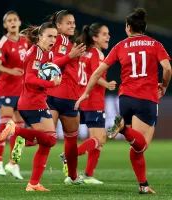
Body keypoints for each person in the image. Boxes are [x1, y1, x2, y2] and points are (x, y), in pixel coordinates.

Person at [75, 8, 171, 194]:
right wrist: (164, 85)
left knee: (135, 147)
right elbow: (167, 68)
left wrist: (85, 93)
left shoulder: (120, 46)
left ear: (128, 28)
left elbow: (96, 73)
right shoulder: (155, 44)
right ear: (144, 27)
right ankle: (124, 129)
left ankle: (143, 185)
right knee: (141, 146)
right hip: (147, 99)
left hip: (125, 99)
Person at [0, 22, 62, 191]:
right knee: (50, 139)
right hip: (31, 103)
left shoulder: (45, 54)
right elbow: (29, 79)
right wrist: (50, 83)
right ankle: (17, 131)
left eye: (55, 37)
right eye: (49, 36)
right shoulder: (35, 53)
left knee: (46, 143)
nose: (53, 40)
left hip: (36, 102)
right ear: (40, 36)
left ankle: (33, 183)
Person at [72, 23, 116, 184]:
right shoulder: (97, 53)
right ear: (95, 38)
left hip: (82, 98)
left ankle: (88, 176)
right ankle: (71, 155)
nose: (108, 37)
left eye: (108, 33)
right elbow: (95, 75)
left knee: (95, 141)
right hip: (93, 99)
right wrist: (108, 84)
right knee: (102, 138)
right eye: (104, 34)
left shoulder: (85, 53)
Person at [47, 10, 86, 184]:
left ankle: (19, 133)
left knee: (46, 137)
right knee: (71, 139)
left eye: (73, 22)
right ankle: (73, 176)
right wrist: (71, 56)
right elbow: (52, 63)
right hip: (67, 95)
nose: (73, 25)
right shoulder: (62, 41)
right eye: (68, 23)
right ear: (59, 26)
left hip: (51, 94)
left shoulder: (55, 40)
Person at [0, 10, 30, 179]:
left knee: (19, 128)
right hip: (6, 88)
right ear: (5, 25)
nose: (13, 22)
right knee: (7, 123)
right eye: (9, 21)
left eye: (15, 19)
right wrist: (11, 71)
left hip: (21, 89)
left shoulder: (24, 41)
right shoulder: (3, 43)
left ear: (19, 22)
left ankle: (13, 164)